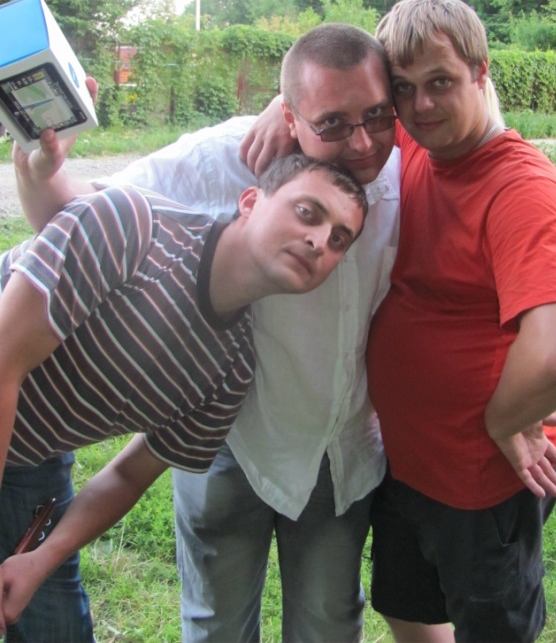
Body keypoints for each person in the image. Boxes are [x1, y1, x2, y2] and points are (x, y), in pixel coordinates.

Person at [12, 24, 447, 643]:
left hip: (336, 447)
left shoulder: (413, 169)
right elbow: (75, 219)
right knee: (216, 621)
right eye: (331, 123)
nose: (361, 141)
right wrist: (41, 169)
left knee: (329, 623)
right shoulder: (225, 158)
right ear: (290, 117)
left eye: (377, 115)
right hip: (229, 438)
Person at [0, 153, 368, 639]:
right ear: (250, 201)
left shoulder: (231, 373)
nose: (319, 240)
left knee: (54, 628)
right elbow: (4, 363)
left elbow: (129, 475)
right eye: (307, 212)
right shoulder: (134, 227)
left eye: (339, 238)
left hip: (29, 457)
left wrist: (42, 558)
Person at [365, 0, 556, 642]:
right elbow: (331, 77)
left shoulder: (520, 187)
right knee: (407, 607)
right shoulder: (417, 145)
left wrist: (505, 419)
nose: (420, 105)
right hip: (407, 463)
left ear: (480, 72)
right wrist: (281, 106)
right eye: (403, 88)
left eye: (440, 82)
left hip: (482, 481)